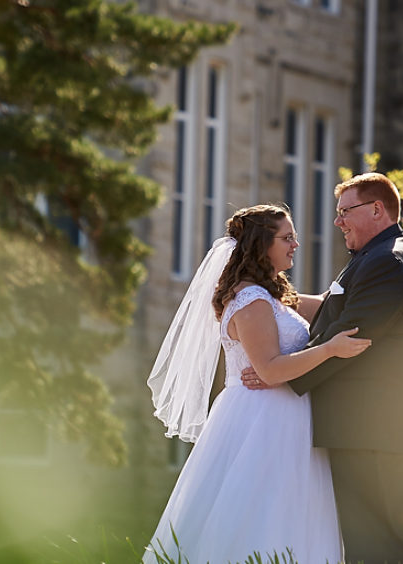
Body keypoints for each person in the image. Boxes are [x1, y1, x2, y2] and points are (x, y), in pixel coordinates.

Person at [144, 204, 370, 564]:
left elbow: (330, 305)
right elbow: (269, 371)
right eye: (287, 238)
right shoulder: (251, 300)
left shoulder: (272, 297)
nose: (295, 244)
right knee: (260, 515)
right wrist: (330, 349)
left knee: (290, 514)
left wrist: (399, 270)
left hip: (285, 417)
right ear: (261, 244)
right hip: (262, 422)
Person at [242, 173, 403, 563]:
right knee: (362, 545)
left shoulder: (389, 262)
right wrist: (264, 297)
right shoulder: (370, 258)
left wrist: (278, 372)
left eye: (346, 211)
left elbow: (350, 339)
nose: (337, 222)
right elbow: (331, 309)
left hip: (379, 429)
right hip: (364, 429)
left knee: (376, 547)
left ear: (377, 209)